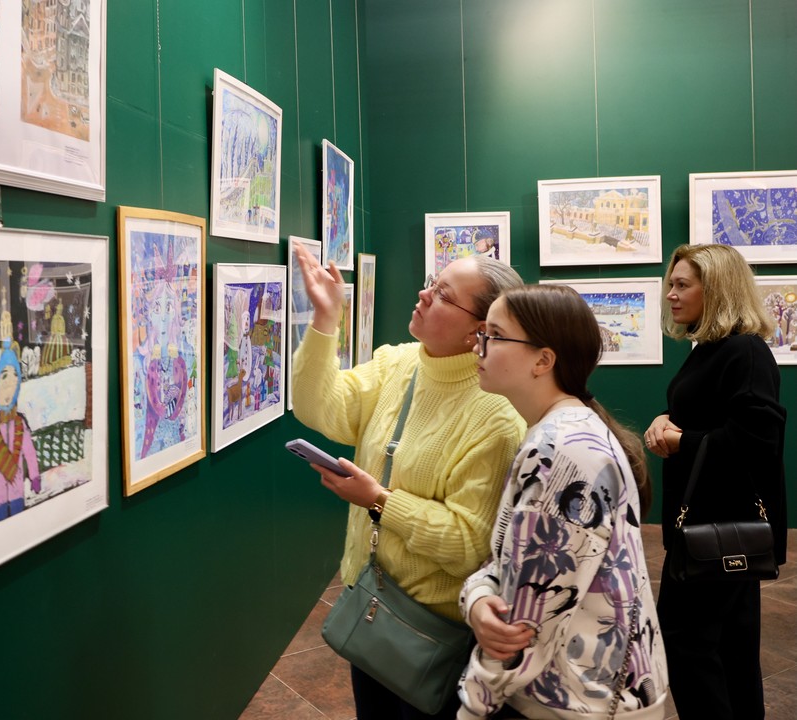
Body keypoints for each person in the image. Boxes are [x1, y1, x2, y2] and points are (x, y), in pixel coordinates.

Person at [291, 240, 527, 719]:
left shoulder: (497, 416)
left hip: (431, 631)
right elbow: (319, 407)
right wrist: (325, 319)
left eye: (443, 295)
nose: (423, 295)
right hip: (372, 602)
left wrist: (379, 500)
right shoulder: (398, 362)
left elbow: (470, 542)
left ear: (478, 331)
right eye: (431, 284)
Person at [458, 284, 669, 720]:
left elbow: (526, 624)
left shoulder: (562, 450)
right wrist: (477, 597)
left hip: (578, 701)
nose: (477, 346)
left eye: (493, 335)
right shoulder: (560, 432)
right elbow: (511, 563)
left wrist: (473, 706)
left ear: (543, 360)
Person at [643, 244, 787, 720]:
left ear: (718, 289)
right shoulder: (712, 348)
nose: (670, 294)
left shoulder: (744, 350)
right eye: (671, 284)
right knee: (730, 645)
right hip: (714, 524)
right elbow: (709, 413)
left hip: (720, 524)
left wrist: (681, 440)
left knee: (687, 641)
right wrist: (666, 418)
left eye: (682, 285)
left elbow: (757, 439)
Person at [0, 341, 41, 523]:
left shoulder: (20, 426)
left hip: (17, 493)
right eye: (4, 378)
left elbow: (29, 452)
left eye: (14, 380)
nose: (9, 388)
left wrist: (34, 476)